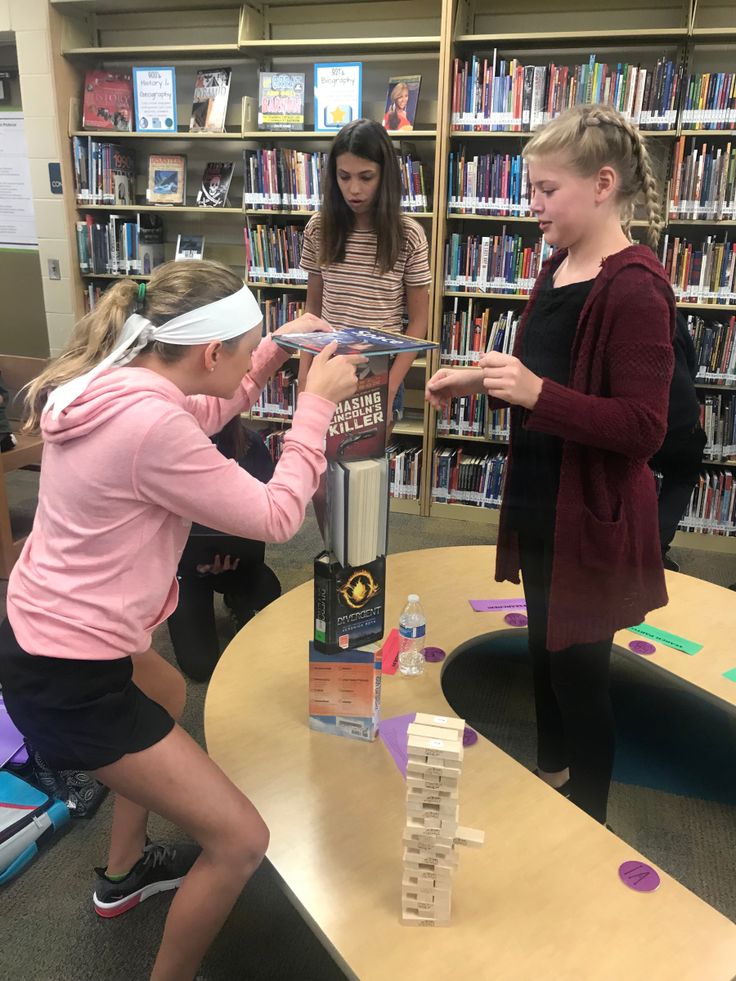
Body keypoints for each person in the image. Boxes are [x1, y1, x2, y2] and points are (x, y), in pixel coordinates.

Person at [0, 260, 364, 981]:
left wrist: (273, 348)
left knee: (166, 693)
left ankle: (125, 871)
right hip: (68, 674)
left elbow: (205, 408)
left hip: (47, 632)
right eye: (247, 343)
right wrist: (314, 408)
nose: (249, 359)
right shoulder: (149, 425)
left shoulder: (118, 380)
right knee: (240, 840)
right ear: (208, 352)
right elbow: (277, 513)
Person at [426, 103, 675, 826]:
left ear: (602, 185)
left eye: (545, 189)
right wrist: (479, 378)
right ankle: (552, 775)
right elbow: (542, 370)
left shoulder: (636, 289)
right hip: (542, 497)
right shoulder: (557, 267)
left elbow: (642, 428)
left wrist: (536, 393)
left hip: (591, 516)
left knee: (579, 671)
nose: (531, 205)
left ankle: (589, 816)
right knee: (542, 647)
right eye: (530, 189)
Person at [297, 118, 431, 418]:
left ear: (385, 177)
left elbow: (419, 322)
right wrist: (305, 375)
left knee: (369, 465)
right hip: (327, 369)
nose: (354, 189)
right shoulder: (319, 229)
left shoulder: (409, 235)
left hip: (379, 374)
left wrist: (392, 385)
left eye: (366, 177)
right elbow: (312, 311)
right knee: (316, 461)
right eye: (344, 177)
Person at [167, 419, 282, 682]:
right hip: (184, 568)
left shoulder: (251, 446)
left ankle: (236, 599)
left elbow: (266, 514)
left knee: (269, 591)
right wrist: (190, 564)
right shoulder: (168, 448)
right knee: (200, 667)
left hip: (238, 560)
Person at [649, 312, 707, 571]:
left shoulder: (604, 308)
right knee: (681, 479)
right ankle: (653, 553)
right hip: (679, 418)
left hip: (632, 417)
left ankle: (622, 549)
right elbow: (691, 365)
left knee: (623, 477)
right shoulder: (668, 311)